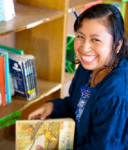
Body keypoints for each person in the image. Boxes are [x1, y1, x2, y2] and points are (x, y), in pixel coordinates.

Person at [28, 3, 128, 150]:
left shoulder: (116, 91)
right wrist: (52, 106)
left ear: (117, 45)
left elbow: (103, 147)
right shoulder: (87, 67)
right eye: (80, 36)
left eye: (96, 39)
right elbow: (77, 105)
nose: (84, 48)